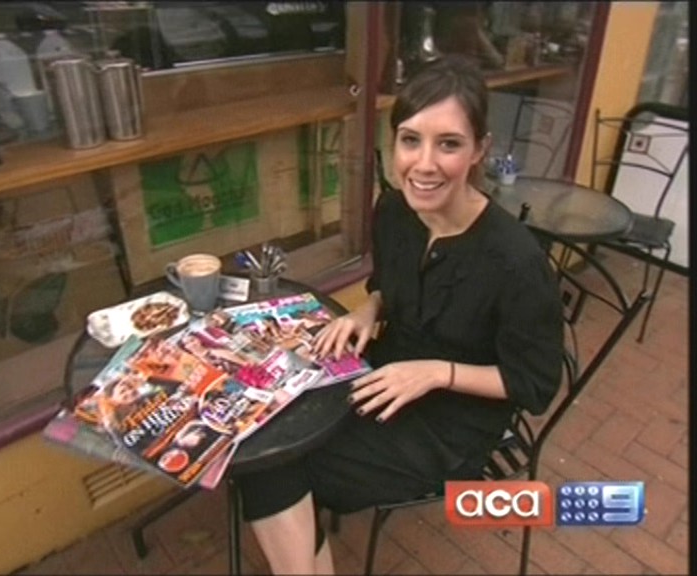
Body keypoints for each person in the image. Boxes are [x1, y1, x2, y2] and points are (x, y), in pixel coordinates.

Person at [235, 55, 564, 575]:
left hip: (450, 424)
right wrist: (369, 310)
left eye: (448, 144)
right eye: (411, 140)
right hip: (383, 374)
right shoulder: (394, 210)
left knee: (273, 467)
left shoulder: (516, 262)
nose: (424, 164)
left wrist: (436, 373)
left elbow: (535, 383)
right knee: (266, 435)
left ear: (480, 149)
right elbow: (392, 283)